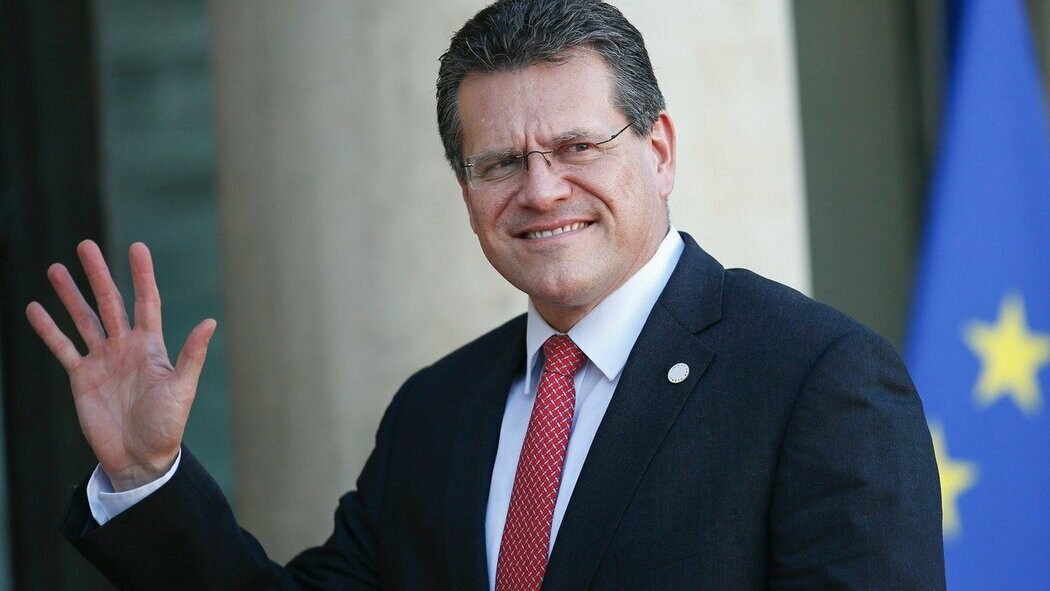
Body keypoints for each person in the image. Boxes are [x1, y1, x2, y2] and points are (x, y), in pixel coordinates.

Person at [27, 0, 946, 589]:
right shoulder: (437, 412)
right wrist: (146, 477)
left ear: (659, 151)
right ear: (465, 190)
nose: (541, 190)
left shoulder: (815, 377)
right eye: (501, 162)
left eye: (577, 147)